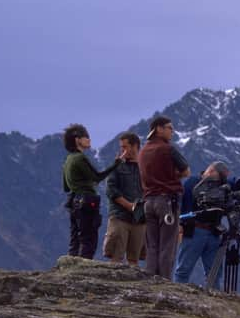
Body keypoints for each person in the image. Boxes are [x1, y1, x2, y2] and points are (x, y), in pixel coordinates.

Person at [174, 161, 240, 287]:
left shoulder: (221, 184)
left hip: (214, 232)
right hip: (194, 230)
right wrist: (179, 226)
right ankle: (178, 295)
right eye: (220, 177)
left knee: (214, 273)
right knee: (184, 269)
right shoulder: (192, 183)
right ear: (211, 171)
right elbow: (181, 205)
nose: (222, 181)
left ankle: (213, 298)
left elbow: (235, 183)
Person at [138, 116, 190, 279]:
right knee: (167, 245)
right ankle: (164, 282)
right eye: (169, 128)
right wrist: (173, 175)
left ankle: (150, 278)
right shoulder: (167, 149)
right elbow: (186, 170)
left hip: (148, 202)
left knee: (152, 244)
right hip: (166, 202)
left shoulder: (143, 150)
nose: (172, 131)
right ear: (159, 129)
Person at [62, 124, 124, 259]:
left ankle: (70, 267)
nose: (89, 140)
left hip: (73, 201)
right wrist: (116, 164)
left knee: (75, 239)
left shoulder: (68, 159)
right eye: (86, 137)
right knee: (88, 238)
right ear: (77, 139)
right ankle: (84, 271)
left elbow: (66, 187)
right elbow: (97, 177)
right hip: (86, 201)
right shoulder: (80, 158)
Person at [103, 132, 146, 266]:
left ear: (135, 147)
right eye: (121, 147)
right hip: (120, 217)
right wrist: (129, 205)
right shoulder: (117, 166)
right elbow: (111, 190)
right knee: (116, 256)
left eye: (125, 147)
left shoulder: (145, 168)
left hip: (139, 219)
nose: (122, 151)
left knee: (135, 258)